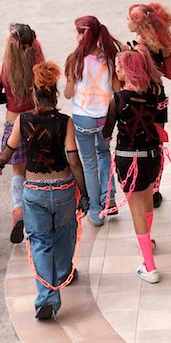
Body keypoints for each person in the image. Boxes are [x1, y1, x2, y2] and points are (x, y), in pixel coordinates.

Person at [0, 61, 89, 319]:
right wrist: (86, 195)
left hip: (34, 189)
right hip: (63, 188)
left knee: (39, 241)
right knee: (64, 235)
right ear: (55, 94)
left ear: (33, 94)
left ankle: (47, 298)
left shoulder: (23, 120)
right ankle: (61, 275)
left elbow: (8, 150)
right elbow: (73, 160)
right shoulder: (65, 122)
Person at [102, 45, 162, 283]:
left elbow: (106, 132)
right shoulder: (152, 94)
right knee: (147, 203)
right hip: (152, 157)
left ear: (127, 70)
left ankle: (150, 267)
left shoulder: (118, 99)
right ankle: (148, 242)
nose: (116, 71)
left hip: (129, 159)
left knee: (136, 211)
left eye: (118, 67)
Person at [64, 15, 121, 227]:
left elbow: (69, 94)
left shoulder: (75, 59)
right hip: (105, 117)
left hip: (82, 119)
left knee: (89, 164)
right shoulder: (110, 57)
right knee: (104, 153)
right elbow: (116, 89)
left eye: (78, 31)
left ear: (83, 34)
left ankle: (96, 212)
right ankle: (109, 197)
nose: (75, 35)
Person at [0, 23, 44, 243]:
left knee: (18, 173)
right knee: (37, 170)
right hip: (36, 122)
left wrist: (12, 97)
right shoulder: (39, 67)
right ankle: (37, 214)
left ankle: (18, 211)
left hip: (14, 123)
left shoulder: (3, 68)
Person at [127, 2, 171, 208]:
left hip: (142, 102)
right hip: (159, 100)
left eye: (129, 18)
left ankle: (143, 187)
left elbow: (136, 80)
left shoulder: (138, 48)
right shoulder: (162, 44)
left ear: (138, 23)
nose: (127, 22)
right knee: (157, 145)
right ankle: (156, 190)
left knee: (141, 145)